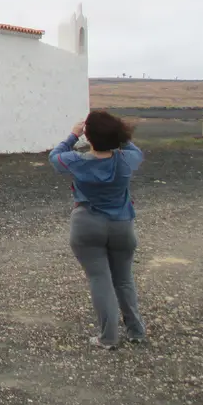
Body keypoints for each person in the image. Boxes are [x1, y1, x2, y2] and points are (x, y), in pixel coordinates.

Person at [50, 109, 147, 349]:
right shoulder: (127, 159)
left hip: (87, 224)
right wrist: (115, 134)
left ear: (89, 137)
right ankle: (135, 331)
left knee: (99, 279)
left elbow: (55, 156)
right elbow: (134, 149)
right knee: (124, 279)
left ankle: (108, 337)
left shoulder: (76, 161)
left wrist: (73, 135)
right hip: (122, 223)